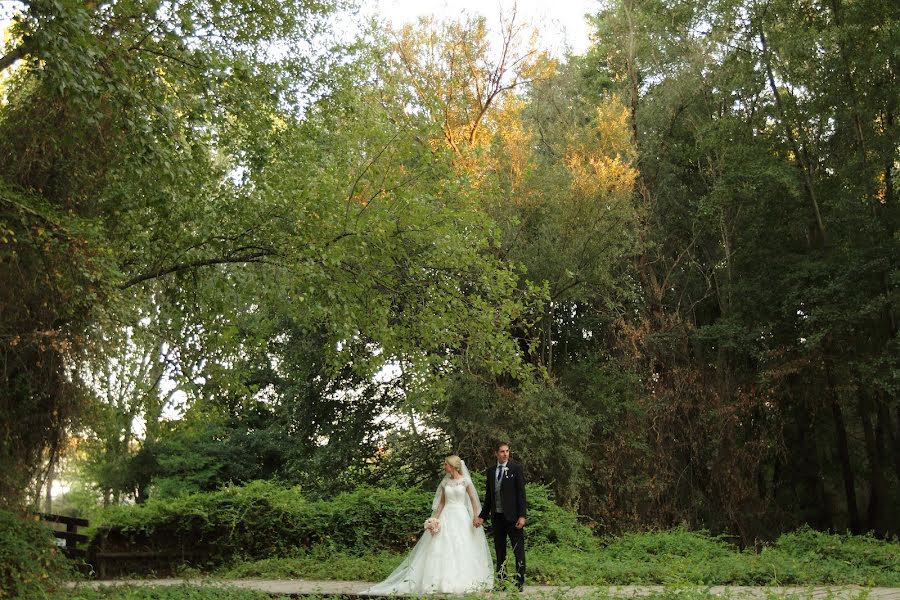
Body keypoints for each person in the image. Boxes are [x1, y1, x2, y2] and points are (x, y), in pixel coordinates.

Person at [366, 455, 493, 595]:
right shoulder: (445, 483)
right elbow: (442, 504)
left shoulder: (465, 481)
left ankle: (462, 580)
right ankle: (441, 581)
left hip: (461, 517)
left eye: (445, 464)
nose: (444, 466)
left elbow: (474, 501)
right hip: (447, 516)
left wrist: (475, 516)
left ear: (452, 466)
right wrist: (434, 520)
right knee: (442, 547)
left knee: (461, 545)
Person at [474, 442, 527, 591]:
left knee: (518, 551)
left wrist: (522, 516)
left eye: (507, 451)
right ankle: (502, 582)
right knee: (500, 551)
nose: (505, 454)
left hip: (514, 518)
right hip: (497, 518)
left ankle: (520, 582)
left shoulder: (516, 469)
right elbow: (489, 497)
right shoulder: (491, 471)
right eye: (502, 451)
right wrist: (482, 516)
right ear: (496, 453)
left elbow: (521, 495)